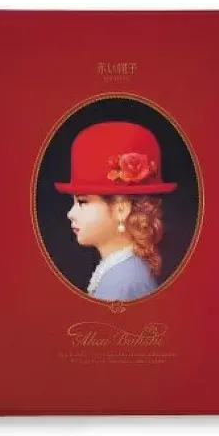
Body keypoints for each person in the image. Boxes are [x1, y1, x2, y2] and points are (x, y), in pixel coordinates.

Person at [55, 121, 177, 301]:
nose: (70, 214)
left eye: (82, 202)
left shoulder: (125, 283)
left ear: (121, 209)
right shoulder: (120, 272)